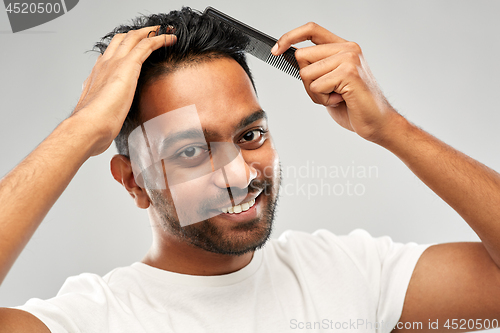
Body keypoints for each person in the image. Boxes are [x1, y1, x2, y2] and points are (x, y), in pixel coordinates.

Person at [0, 6, 499, 333]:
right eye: (192, 152)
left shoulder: (348, 274)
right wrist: (79, 130)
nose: (238, 175)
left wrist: (392, 127)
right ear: (134, 181)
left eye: (250, 136)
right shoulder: (93, 321)